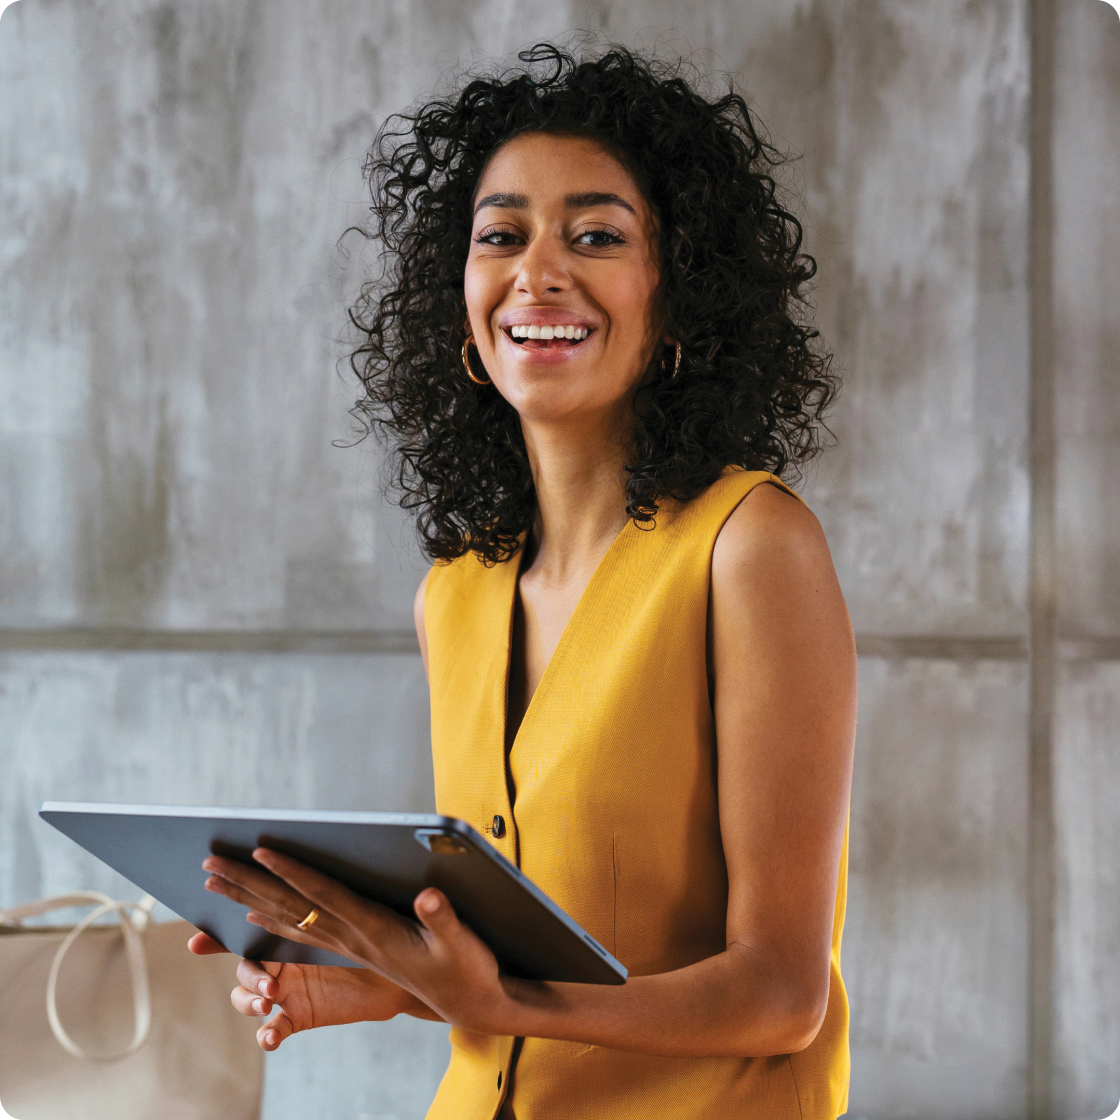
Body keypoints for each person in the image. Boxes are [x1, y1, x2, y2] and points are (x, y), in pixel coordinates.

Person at [190, 44, 857, 1120]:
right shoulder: (454, 593)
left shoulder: (749, 546)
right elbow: (514, 961)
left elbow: (779, 996)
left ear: (678, 294)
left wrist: (500, 1001)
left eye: (595, 235)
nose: (537, 271)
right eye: (501, 236)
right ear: (460, 305)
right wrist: (386, 978)